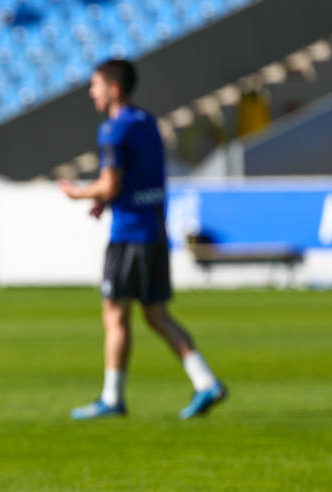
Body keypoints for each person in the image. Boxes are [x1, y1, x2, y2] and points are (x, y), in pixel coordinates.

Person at [60, 59, 227, 420]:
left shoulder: (113, 130)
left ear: (114, 89)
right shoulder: (148, 123)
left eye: (96, 85)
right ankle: (205, 382)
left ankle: (112, 399)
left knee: (115, 314)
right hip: (154, 232)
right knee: (156, 314)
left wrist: (81, 193)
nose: (92, 92)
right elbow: (138, 176)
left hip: (128, 234)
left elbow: (112, 183)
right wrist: (107, 198)